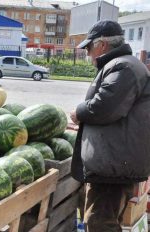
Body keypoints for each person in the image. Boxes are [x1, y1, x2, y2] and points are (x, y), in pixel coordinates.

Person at [69, 20, 150, 232]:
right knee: (102, 221)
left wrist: (79, 112)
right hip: (112, 162)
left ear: (102, 45)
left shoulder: (124, 66)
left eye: (89, 47)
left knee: (100, 224)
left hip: (112, 168)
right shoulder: (123, 64)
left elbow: (104, 107)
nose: (88, 53)